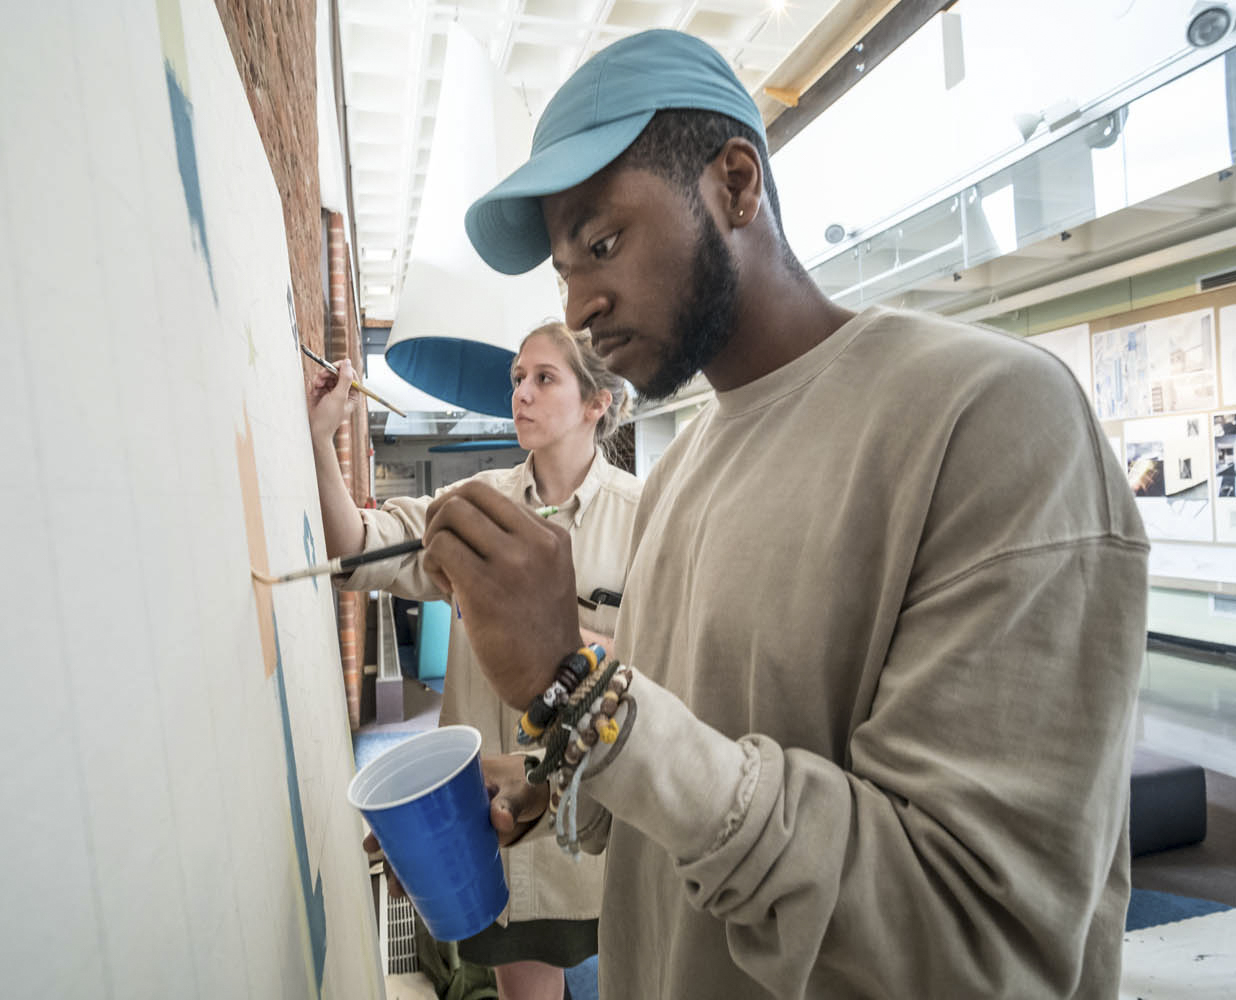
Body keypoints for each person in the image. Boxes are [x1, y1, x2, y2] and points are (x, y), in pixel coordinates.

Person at [414, 29, 1150, 999]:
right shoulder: (685, 473)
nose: (581, 303)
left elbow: (974, 941)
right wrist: (562, 776)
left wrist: (577, 686)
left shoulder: (990, 417)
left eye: (602, 242)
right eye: (563, 270)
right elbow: (698, 754)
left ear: (734, 184)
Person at [307, 322, 642, 1000]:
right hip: (490, 820)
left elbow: (657, 665)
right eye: (518, 377)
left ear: (595, 402)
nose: (521, 392)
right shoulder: (472, 509)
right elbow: (357, 550)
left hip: (593, 822)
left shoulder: (644, 518)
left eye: (544, 378)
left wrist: (557, 635)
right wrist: (320, 439)